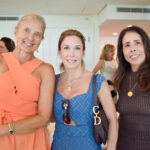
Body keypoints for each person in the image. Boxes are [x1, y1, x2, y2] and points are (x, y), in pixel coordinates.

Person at [52, 29, 118, 150]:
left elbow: (113, 119)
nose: (71, 54)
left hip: (88, 145)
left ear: (83, 52)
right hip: (58, 145)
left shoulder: (97, 81)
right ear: (59, 51)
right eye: (66, 48)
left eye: (77, 48)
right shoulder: (53, 81)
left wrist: (111, 148)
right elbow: (49, 117)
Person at [0, 14, 55, 150]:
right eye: (26, 30)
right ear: (16, 31)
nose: (30, 38)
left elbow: (43, 118)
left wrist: (5, 130)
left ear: (41, 39)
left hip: (31, 139)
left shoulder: (46, 70)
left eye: (37, 34)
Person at [114, 26, 150, 150]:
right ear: (122, 51)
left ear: (146, 46)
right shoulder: (121, 78)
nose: (133, 49)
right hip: (123, 145)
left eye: (137, 43)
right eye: (127, 45)